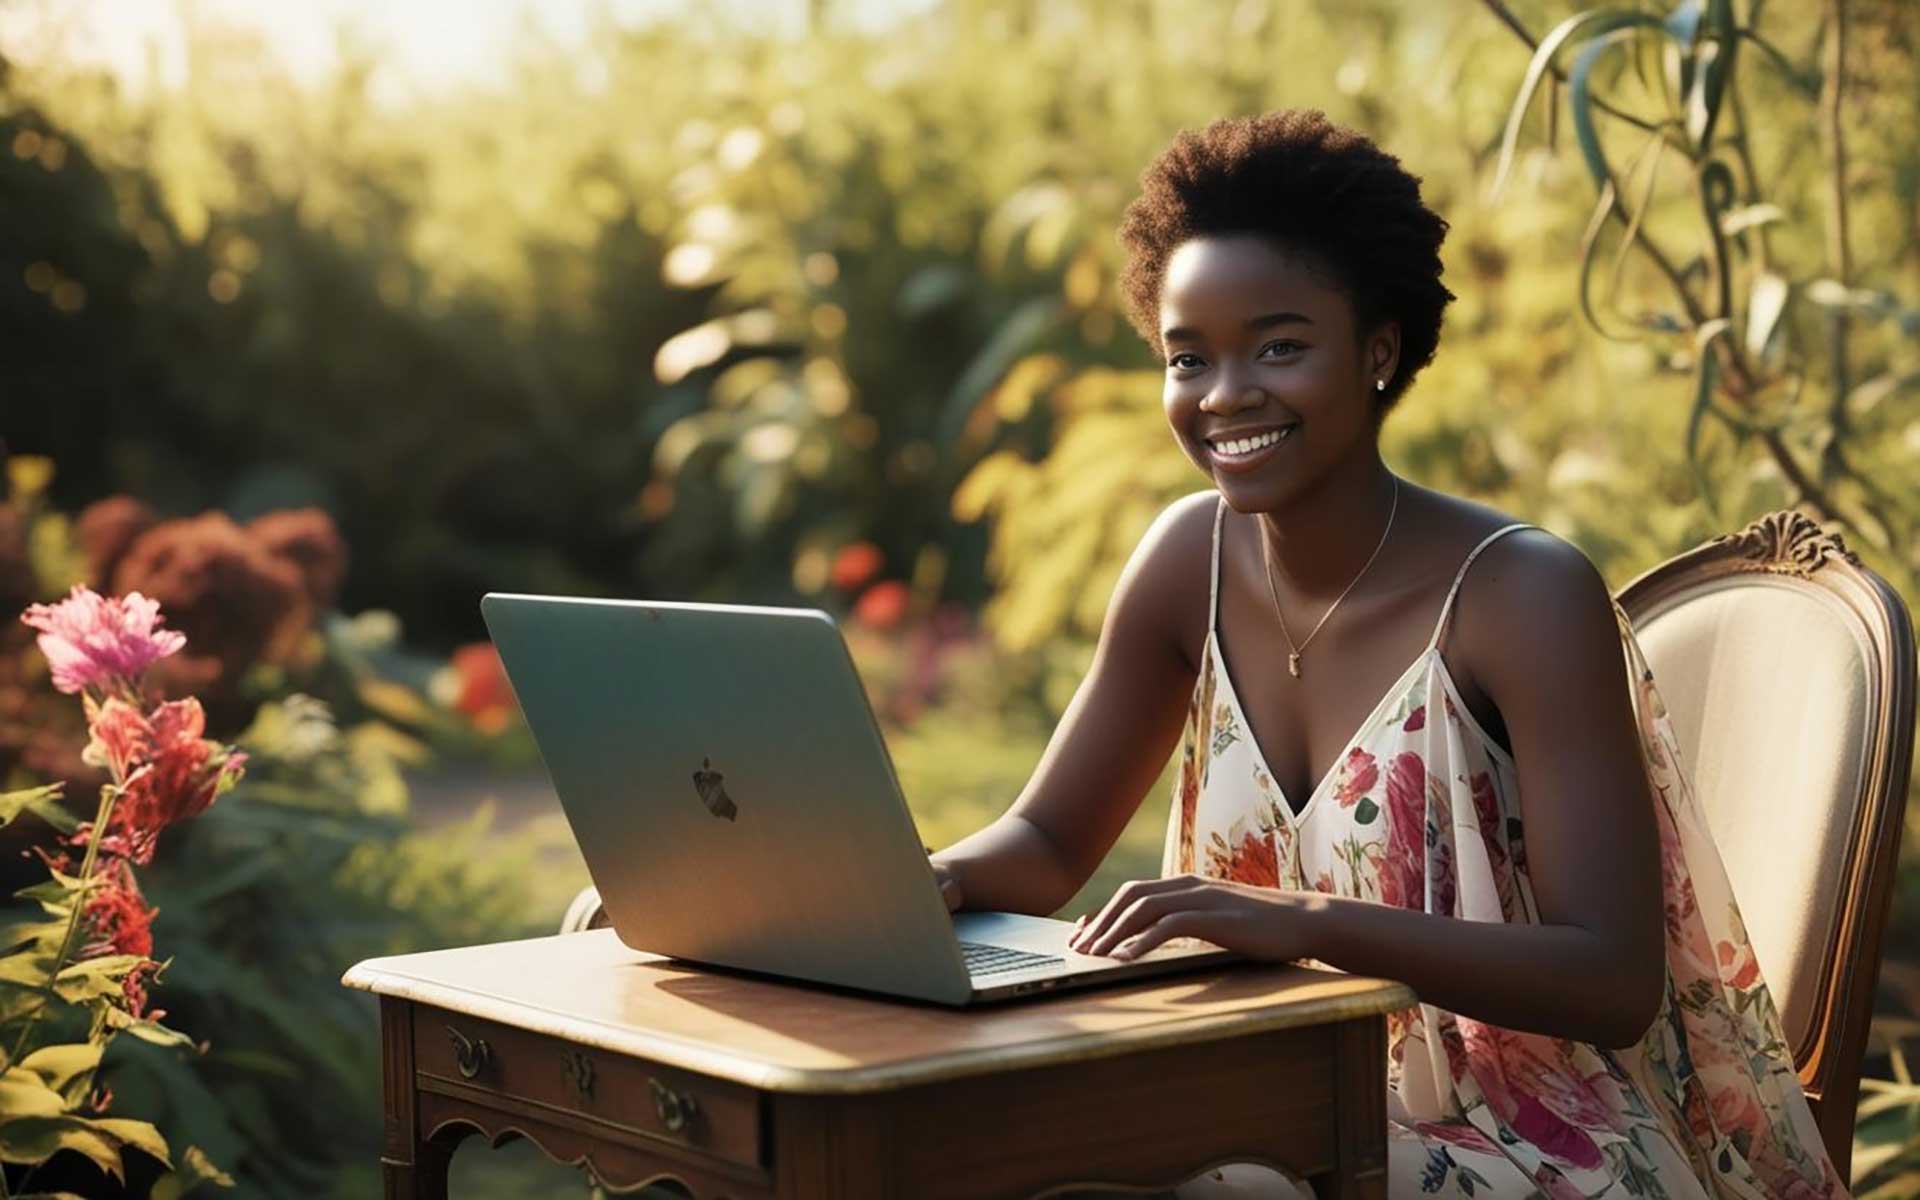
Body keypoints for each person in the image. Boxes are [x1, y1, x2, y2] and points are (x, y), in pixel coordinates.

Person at [927, 110, 1845, 1198]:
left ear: (1379, 350)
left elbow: (1610, 979)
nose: (1225, 394)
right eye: (1189, 357)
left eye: (1278, 346)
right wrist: (905, 887)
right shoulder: (1189, 559)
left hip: (1537, 1145)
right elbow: (1043, 840)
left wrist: (1298, 920)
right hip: (1274, 1109)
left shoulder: (1521, 594)